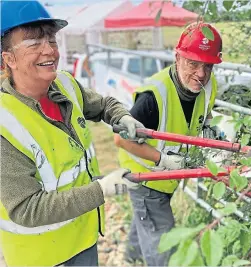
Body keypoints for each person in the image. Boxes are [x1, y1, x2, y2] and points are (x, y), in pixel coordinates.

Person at [0, 1, 144, 266]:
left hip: (82, 238)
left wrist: (121, 116)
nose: (49, 50)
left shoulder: (64, 84)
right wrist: (101, 189)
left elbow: (103, 105)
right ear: (8, 58)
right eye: (33, 43)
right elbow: (26, 209)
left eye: (51, 39)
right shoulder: (4, 123)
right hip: (42, 256)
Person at [114, 22, 223, 266]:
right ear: (177, 58)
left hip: (169, 174)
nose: (201, 74)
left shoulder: (207, 86)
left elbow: (201, 118)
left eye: (208, 66)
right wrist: (161, 160)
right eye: (192, 64)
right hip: (145, 176)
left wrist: (211, 133)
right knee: (163, 242)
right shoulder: (153, 96)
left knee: (146, 219)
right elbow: (120, 138)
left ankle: (132, 257)